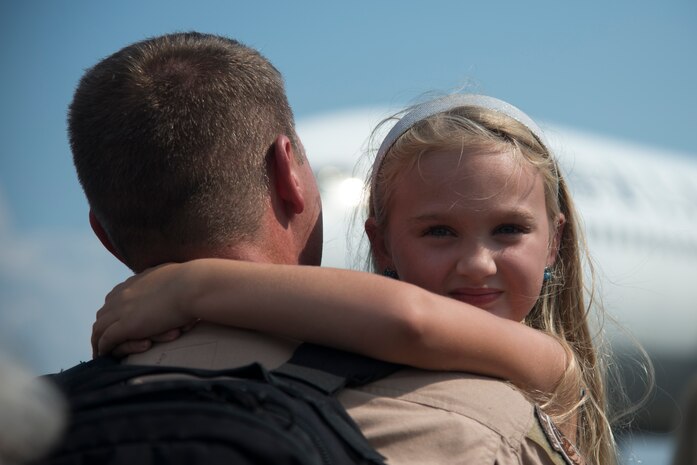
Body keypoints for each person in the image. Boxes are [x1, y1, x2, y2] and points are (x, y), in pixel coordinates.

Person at [74, 31, 587, 464]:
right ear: (287, 173)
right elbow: (412, 322)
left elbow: (414, 320)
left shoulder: (47, 418)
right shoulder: (490, 417)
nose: (477, 264)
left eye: (508, 230)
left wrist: (191, 284)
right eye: (438, 231)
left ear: (103, 235)